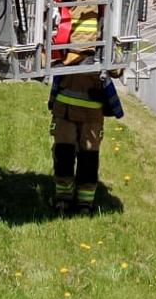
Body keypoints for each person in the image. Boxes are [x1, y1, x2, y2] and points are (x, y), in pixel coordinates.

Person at [49, 67, 125, 214]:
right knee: (64, 153)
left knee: (89, 158)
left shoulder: (105, 44)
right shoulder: (66, 45)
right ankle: (63, 198)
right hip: (65, 110)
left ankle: (85, 201)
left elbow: (117, 70)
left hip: (91, 115)